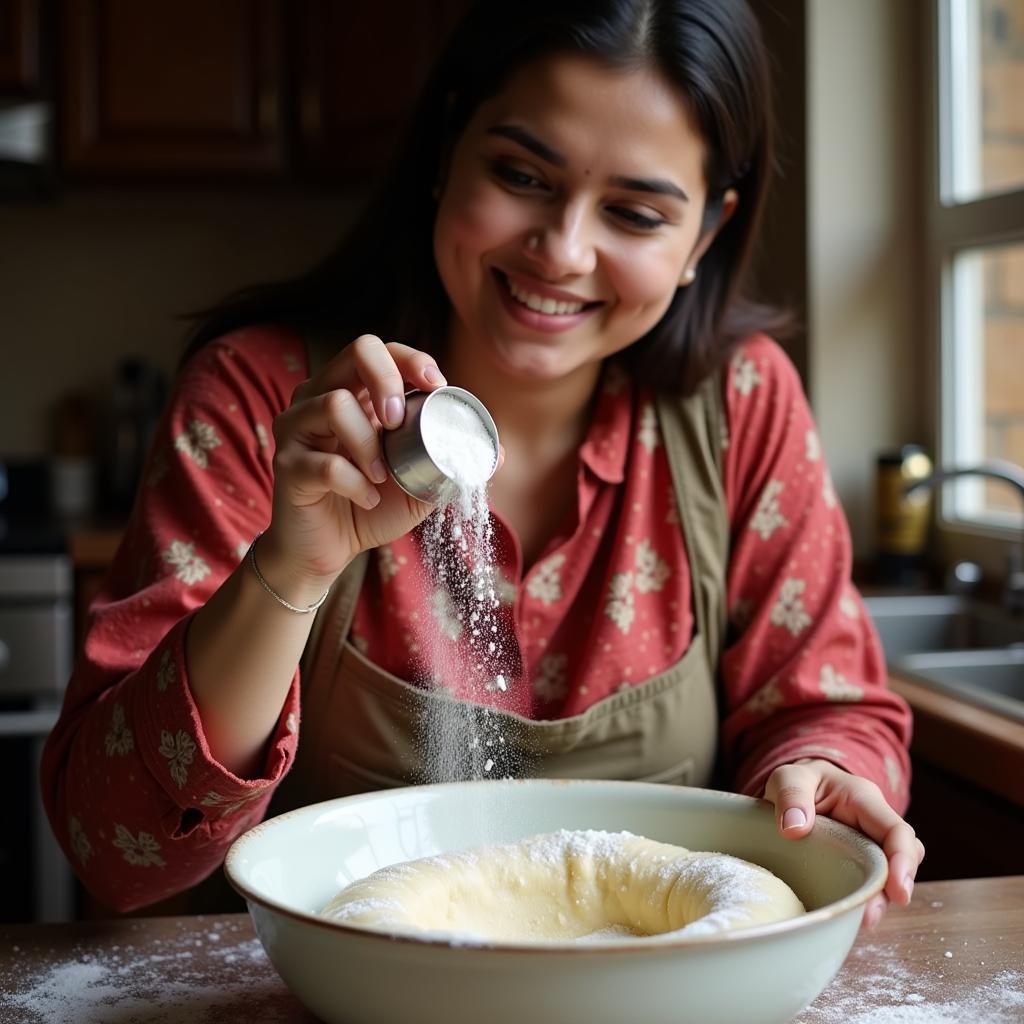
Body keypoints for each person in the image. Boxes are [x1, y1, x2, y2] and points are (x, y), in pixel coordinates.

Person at [42, 0, 923, 925]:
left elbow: (823, 703)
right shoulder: (264, 399)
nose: (562, 250)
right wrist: (290, 568)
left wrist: (822, 772)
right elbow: (117, 854)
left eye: (633, 211)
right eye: (520, 174)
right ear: (445, 151)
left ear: (705, 236)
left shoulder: (740, 408)